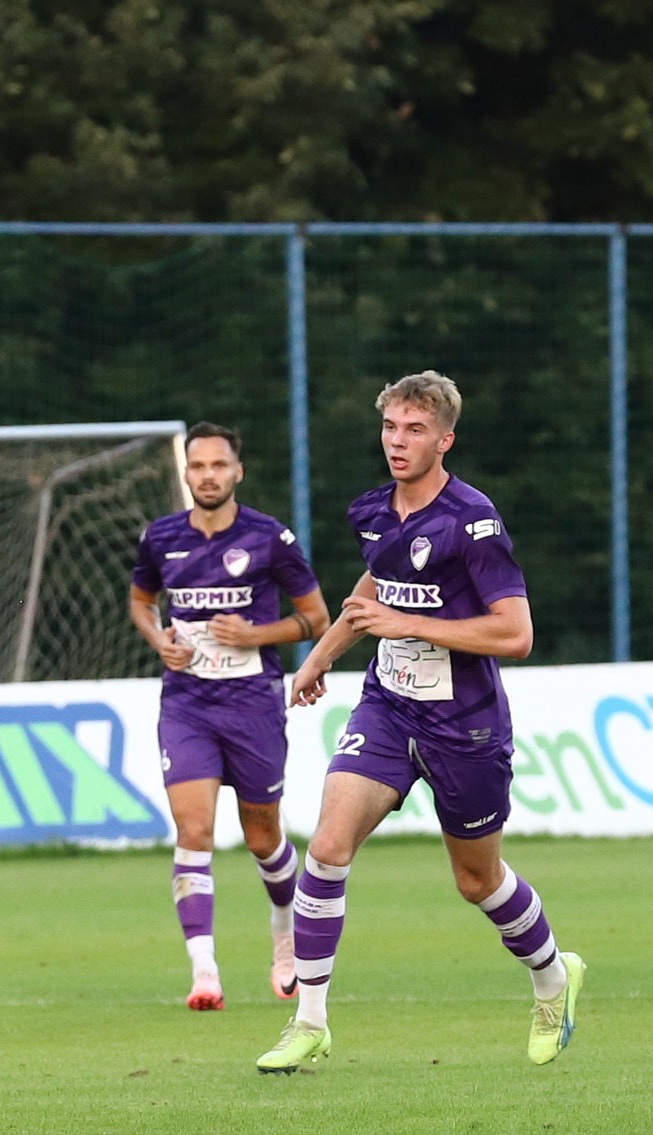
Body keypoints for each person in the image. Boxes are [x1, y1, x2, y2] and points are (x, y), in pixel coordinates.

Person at [257, 371, 584, 1075]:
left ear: (445, 439)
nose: (398, 442)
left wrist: (403, 622)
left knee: (476, 880)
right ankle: (310, 1020)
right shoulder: (372, 510)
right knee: (328, 843)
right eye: (389, 428)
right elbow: (372, 589)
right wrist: (319, 657)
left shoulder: (475, 522)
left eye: (413, 430)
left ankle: (554, 977)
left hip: (465, 725)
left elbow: (516, 633)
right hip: (387, 706)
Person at [131, 423, 329, 1010]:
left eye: (219, 465)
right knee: (193, 830)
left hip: (252, 701)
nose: (208, 475)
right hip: (187, 703)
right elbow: (142, 602)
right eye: (198, 467)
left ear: (237, 471)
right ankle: (204, 972)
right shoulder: (160, 538)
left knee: (263, 834)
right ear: (186, 474)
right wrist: (157, 639)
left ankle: (285, 933)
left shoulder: (270, 538)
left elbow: (316, 618)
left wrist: (256, 633)